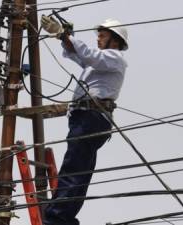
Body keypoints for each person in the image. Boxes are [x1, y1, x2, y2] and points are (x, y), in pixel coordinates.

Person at [40, 15, 129, 225]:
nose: (98, 39)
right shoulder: (99, 63)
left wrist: (63, 33)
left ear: (114, 41)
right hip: (87, 117)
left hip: (91, 117)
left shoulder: (115, 58)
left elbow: (88, 55)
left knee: (73, 167)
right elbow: (78, 55)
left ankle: (56, 218)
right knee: (79, 171)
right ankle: (64, 217)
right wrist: (65, 38)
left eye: (102, 36)